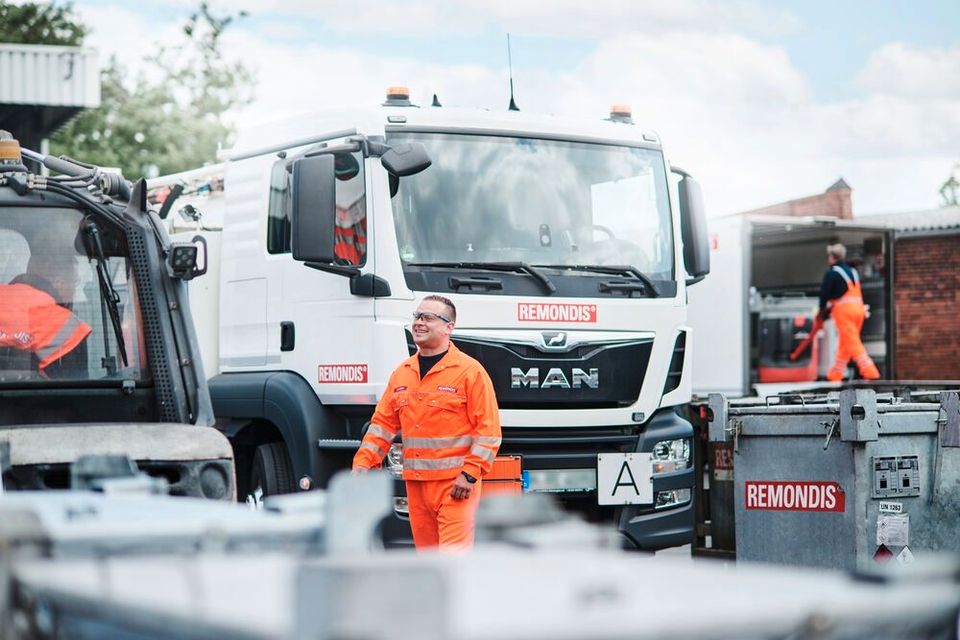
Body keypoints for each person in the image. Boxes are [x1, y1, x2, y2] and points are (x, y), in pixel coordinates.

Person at [352, 295, 501, 550]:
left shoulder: (469, 372)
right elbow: (382, 427)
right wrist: (363, 464)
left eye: (428, 318)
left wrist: (469, 474)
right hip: (417, 486)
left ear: (448, 327)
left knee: (453, 561)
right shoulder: (402, 373)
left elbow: (488, 431)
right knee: (429, 561)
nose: (419, 323)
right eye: (417, 317)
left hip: (455, 486)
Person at [0, 249, 90, 378]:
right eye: (74, 283)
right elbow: (78, 390)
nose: (74, 293)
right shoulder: (67, 326)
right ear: (61, 284)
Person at [818, 243, 880, 382]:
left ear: (832, 257)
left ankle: (870, 370)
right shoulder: (853, 271)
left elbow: (824, 294)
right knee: (846, 342)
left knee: (852, 341)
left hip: (844, 311)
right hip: (859, 310)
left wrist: (822, 311)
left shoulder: (832, 272)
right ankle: (836, 373)